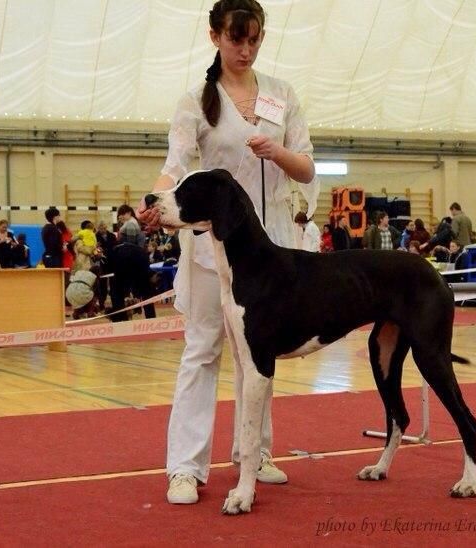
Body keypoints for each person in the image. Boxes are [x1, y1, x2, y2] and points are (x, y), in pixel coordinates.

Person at [136, 0, 316, 505]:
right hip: (211, 251)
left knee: (257, 354)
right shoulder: (196, 100)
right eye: (237, 38)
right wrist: (154, 202)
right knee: (203, 351)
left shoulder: (281, 94)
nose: (246, 49)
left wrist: (277, 152)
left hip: (271, 249)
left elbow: (306, 167)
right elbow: (174, 166)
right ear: (215, 36)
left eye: (254, 39)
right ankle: (185, 468)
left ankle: (254, 454)